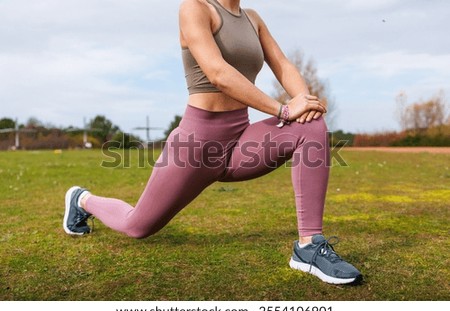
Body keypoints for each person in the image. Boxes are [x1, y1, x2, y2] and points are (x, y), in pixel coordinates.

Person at [63, 0, 362, 285]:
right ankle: (82, 199)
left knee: (310, 127)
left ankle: (309, 246)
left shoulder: (253, 19)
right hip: (196, 147)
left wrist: (304, 102)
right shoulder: (194, 8)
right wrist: (283, 109)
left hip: (241, 142)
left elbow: (283, 65)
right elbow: (218, 74)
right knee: (137, 226)